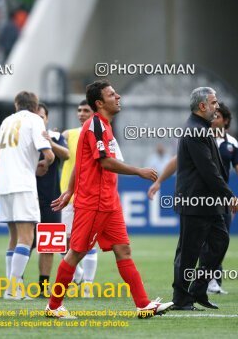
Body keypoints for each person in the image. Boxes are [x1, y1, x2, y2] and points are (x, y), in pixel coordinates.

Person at [45, 80, 172, 319]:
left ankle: (143, 304)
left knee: (123, 249)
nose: (118, 96)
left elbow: (82, 163)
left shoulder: (103, 126)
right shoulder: (95, 126)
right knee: (76, 252)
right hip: (94, 202)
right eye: (112, 94)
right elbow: (104, 161)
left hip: (108, 202)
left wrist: (70, 190)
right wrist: (139, 171)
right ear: (100, 103)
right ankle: (53, 307)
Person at [148, 103, 238, 295]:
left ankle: (209, 280)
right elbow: (177, 162)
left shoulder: (231, 143)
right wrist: (159, 181)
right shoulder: (198, 137)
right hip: (201, 198)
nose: (214, 116)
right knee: (196, 244)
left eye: (218, 115)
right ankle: (191, 289)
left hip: (220, 198)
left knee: (219, 240)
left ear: (225, 121)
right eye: (213, 111)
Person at [165, 87, 238, 311]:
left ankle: (198, 290)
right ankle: (181, 298)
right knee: (188, 251)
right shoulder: (196, 131)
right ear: (202, 106)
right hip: (195, 201)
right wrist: (228, 195)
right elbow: (208, 170)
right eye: (214, 102)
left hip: (208, 202)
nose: (217, 106)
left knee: (220, 242)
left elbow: (212, 168)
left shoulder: (202, 129)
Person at [0, 91, 55, 300]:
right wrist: (45, 163)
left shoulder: (6, 122)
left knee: (13, 237)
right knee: (27, 237)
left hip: (3, 184)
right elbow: (48, 154)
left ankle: (13, 287)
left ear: (16, 105)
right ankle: (12, 289)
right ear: (34, 106)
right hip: (23, 183)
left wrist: (34, 166)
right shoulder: (35, 120)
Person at [59, 100, 98, 297]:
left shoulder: (98, 135)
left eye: (86, 110)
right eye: (79, 110)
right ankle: (78, 272)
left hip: (88, 195)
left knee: (88, 241)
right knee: (65, 242)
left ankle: (88, 286)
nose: (81, 113)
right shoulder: (68, 134)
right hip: (67, 195)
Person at [33, 103, 69, 297]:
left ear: (47, 119)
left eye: (42, 117)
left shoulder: (55, 137)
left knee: (48, 245)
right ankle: (15, 284)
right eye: (35, 116)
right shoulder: (24, 136)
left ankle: (42, 288)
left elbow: (67, 154)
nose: (39, 120)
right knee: (25, 241)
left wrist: (51, 143)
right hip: (29, 196)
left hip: (52, 198)